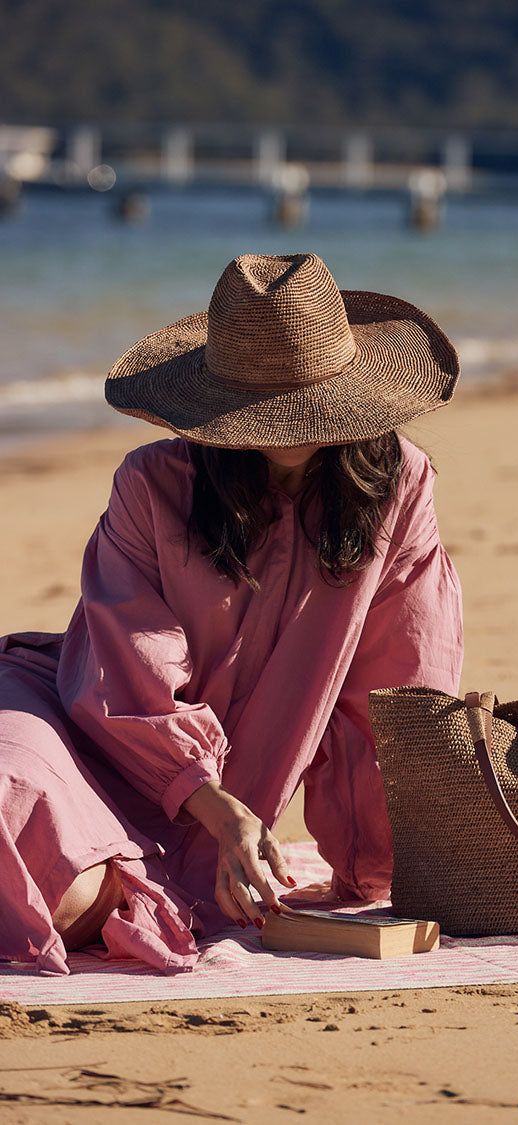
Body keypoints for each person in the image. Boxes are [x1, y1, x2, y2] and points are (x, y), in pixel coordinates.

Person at [0, 252, 463, 975]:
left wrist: (377, 862)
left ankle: (121, 875)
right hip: (80, 722)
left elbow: (400, 686)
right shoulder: (153, 484)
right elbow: (127, 674)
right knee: (11, 801)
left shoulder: (398, 487)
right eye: (263, 404)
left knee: (57, 891)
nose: (284, 426)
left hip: (215, 815)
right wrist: (221, 810)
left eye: (300, 400)